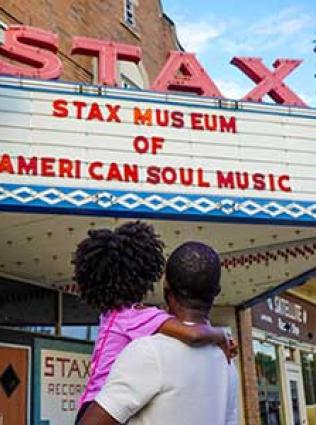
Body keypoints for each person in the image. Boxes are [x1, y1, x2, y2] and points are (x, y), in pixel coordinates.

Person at [74, 221, 236, 423]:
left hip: (90, 401)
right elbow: (192, 334)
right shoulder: (141, 320)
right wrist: (222, 335)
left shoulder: (111, 316)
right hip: (101, 406)